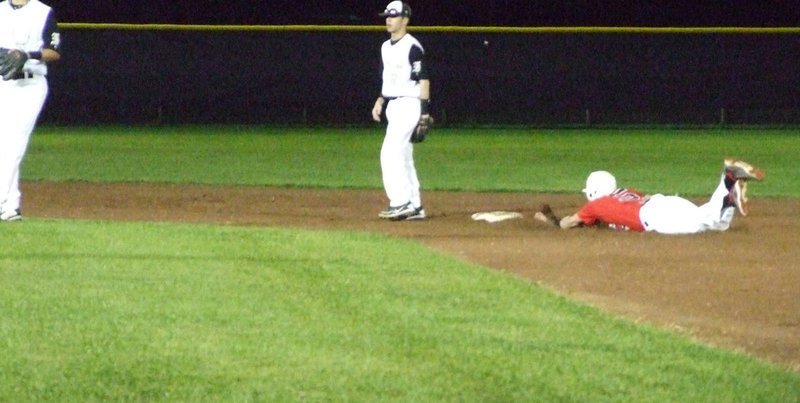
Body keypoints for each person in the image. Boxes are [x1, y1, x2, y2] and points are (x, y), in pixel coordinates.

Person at [535, 159, 765, 234]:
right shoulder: (626, 193)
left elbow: (567, 223)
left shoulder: (596, 206)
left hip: (654, 217)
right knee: (716, 224)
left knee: (700, 222)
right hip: (663, 201)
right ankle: (730, 195)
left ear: (594, 192)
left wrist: (549, 220)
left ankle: (728, 178)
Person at [0, 0, 61, 221]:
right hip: (3, 83)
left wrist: (28, 55)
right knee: (4, 144)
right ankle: (10, 207)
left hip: (31, 84)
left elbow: (54, 52)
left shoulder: (43, 12)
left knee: (14, 143)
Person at [371, 1, 430, 221]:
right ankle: (415, 205)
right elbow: (388, 79)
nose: (388, 19)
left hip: (409, 103)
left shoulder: (412, 47)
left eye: (393, 16)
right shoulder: (385, 47)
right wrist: (380, 99)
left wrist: (424, 113)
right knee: (404, 156)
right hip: (393, 105)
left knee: (390, 153)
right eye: (387, 16)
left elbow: (424, 80)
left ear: (405, 20)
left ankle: (400, 202)